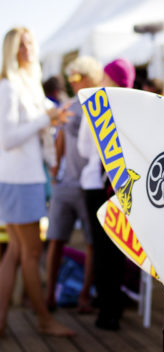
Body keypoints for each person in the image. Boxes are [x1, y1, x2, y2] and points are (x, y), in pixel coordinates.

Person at [0, 27, 75, 337]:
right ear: (11, 50)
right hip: (21, 180)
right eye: (21, 44)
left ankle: (1, 321)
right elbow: (7, 139)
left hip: (22, 179)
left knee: (16, 253)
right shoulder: (9, 87)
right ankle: (44, 320)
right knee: (30, 254)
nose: (28, 48)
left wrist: (53, 116)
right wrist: (47, 119)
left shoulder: (25, 85)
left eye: (31, 42)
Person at [77, 57, 136, 331]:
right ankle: (113, 307)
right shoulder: (135, 107)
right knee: (118, 248)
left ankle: (106, 308)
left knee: (101, 249)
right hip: (125, 186)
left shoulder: (96, 104)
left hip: (96, 184)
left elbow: (84, 149)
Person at [45, 57, 102, 314]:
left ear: (89, 77)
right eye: (70, 77)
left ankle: (83, 297)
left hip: (89, 185)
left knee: (90, 242)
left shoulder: (99, 105)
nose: (71, 81)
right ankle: (49, 296)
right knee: (55, 239)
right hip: (67, 185)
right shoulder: (69, 106)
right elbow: (59, 144)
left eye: (76, 76)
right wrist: (55, 174)